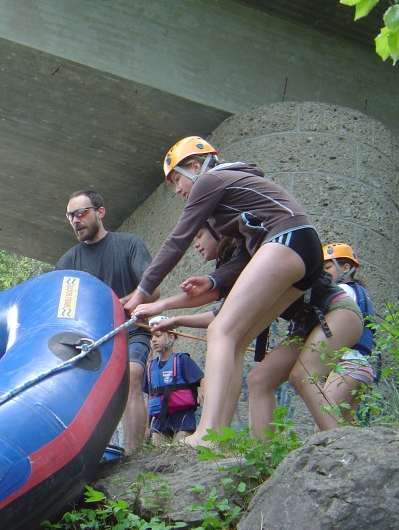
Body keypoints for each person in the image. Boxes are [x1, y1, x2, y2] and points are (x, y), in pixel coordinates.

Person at [124, 136, 360, 447]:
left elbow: (177, 239)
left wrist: (143, 291)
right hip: (303, 252)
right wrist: (211, 282)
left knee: (221, 331)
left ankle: (208, 434)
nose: (178, 191)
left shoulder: (211, 180)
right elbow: (243, 265)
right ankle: (220, 436)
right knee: (234, 339)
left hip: (291, 238)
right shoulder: (244, 206)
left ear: (196, 167)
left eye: (178, 180)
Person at [57, 190, 158, 453]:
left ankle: (134, 457)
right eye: (70, 216)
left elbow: (153, 291)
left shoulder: (129, 244)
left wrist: (115, 306)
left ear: (100, 212)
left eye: (81, 212)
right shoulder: (67, 263)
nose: (75, 220)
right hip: (89, 342)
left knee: (133, 375)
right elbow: (64, 313)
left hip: (131, 330)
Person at [317, 242, 376, 424]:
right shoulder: (362, 293)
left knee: (324, 426)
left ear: (346, 268)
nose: (324, 273)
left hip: (346, 366)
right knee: (345, 428)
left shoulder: (341, 292)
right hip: (361, 367)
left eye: (328, 267)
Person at [144, 316, 204, 445]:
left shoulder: (182, 360)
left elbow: (201, 379)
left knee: (181, 446)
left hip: (183, 417)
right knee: (157, 452)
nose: (153, 340)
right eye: (151, 337)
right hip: (160, 420)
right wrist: (147, 426)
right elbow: (150, 397)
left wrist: (201, 391)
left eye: (158, 335)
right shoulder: (150, 367)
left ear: (171, 337)